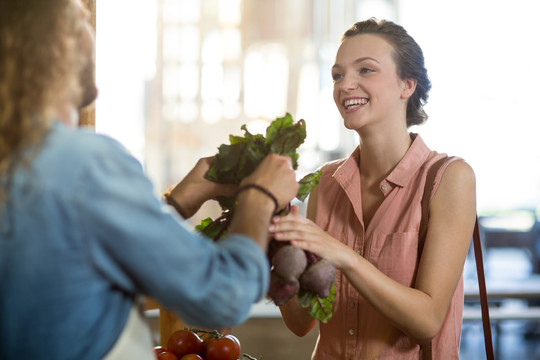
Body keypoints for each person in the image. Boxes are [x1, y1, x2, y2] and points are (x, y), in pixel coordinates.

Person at [0, 0, 299, 359]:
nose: (91, 32)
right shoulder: (86, 163)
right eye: (81, 20)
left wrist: (175, 205)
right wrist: (258, 196)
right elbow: (223, 297)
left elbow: (77, 269)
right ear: (59, 44)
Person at [269, 18, 476, 359]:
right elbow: (301, 322)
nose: (345, 84)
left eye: (365, 70)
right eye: (338, 75)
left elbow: (427, 321)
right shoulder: (325, 183)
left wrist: (344, 256)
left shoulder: (449, 178)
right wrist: (275, 249)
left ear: (407, 85)